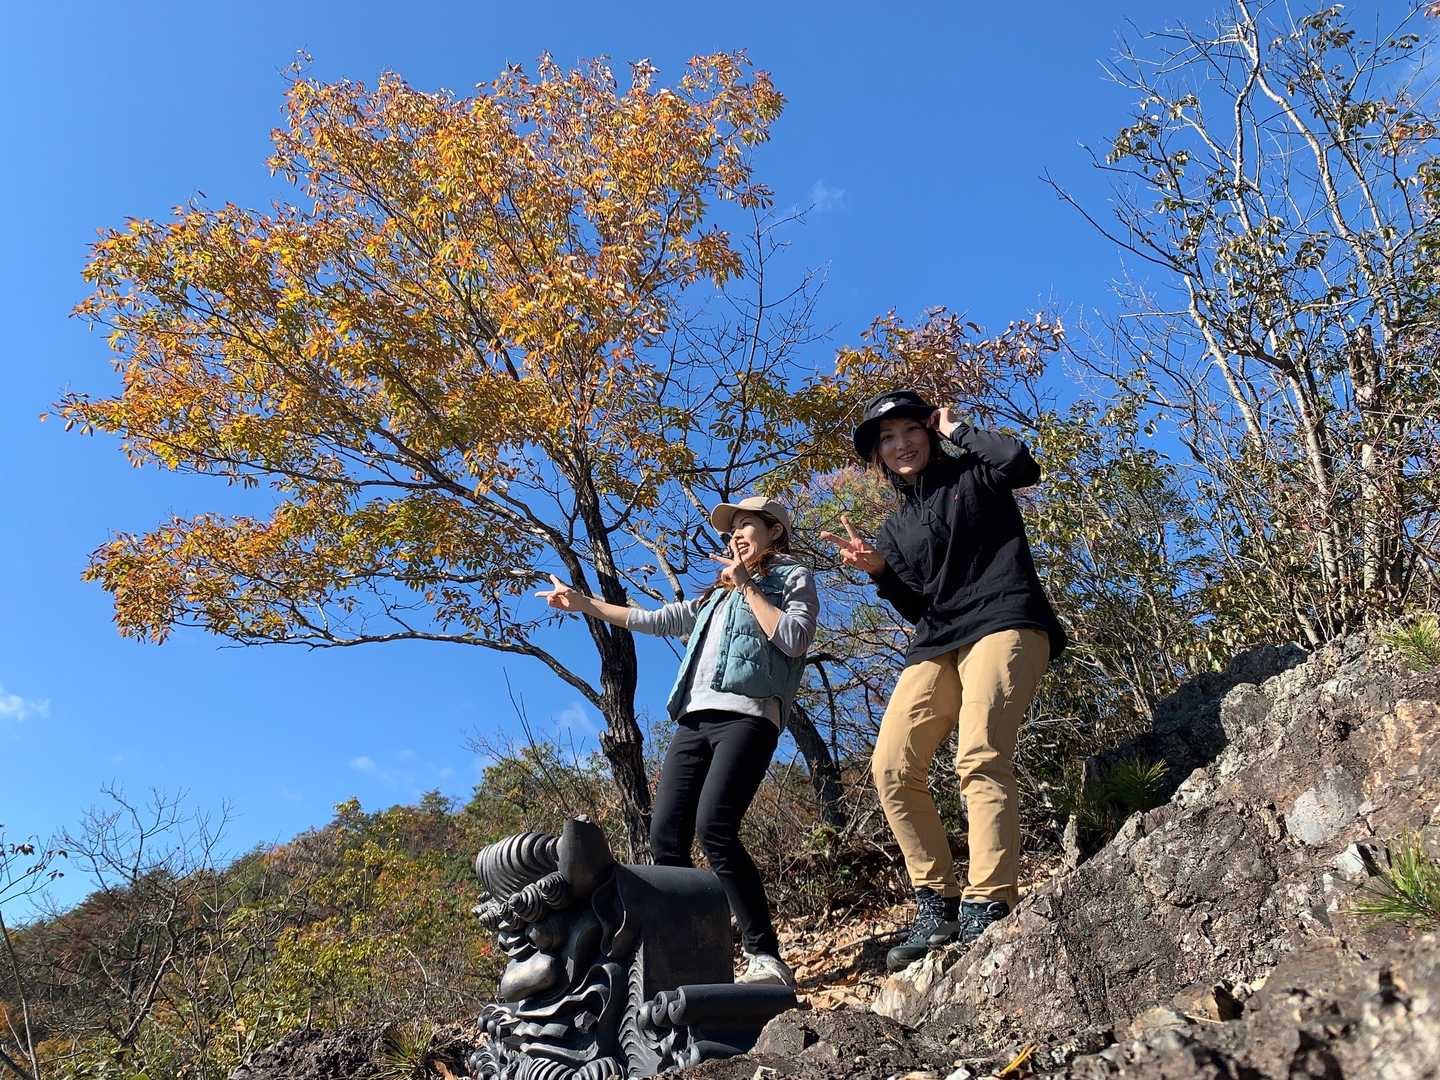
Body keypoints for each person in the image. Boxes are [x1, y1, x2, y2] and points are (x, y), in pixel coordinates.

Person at [822, 389, 1067, 972]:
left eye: (911, 430)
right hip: (937, 640)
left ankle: (990, 899)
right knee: (891, 766)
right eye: (886, 439)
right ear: (878, 455)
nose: (900, 444)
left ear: (929, 432)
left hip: (1005, 619)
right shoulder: (894, 528)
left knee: (978, 754)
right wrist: (881, 571)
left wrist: (958, 429)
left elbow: (1021, 464)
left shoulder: (975, 474)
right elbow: (917, 605)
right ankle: (937, 903)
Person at [536, 496, 818, 988]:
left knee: (715, 828)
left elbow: (794, 639)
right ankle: (692, 956)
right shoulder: (714, 597)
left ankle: (765, 955)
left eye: (746, 525)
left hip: (748, 717)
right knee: (665, 837)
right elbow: (652, 619)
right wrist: (583, 604)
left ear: (774, 531)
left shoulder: (791, 577)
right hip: (693, 721)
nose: (736, 534)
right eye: (732, 529)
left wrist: (748, 586)